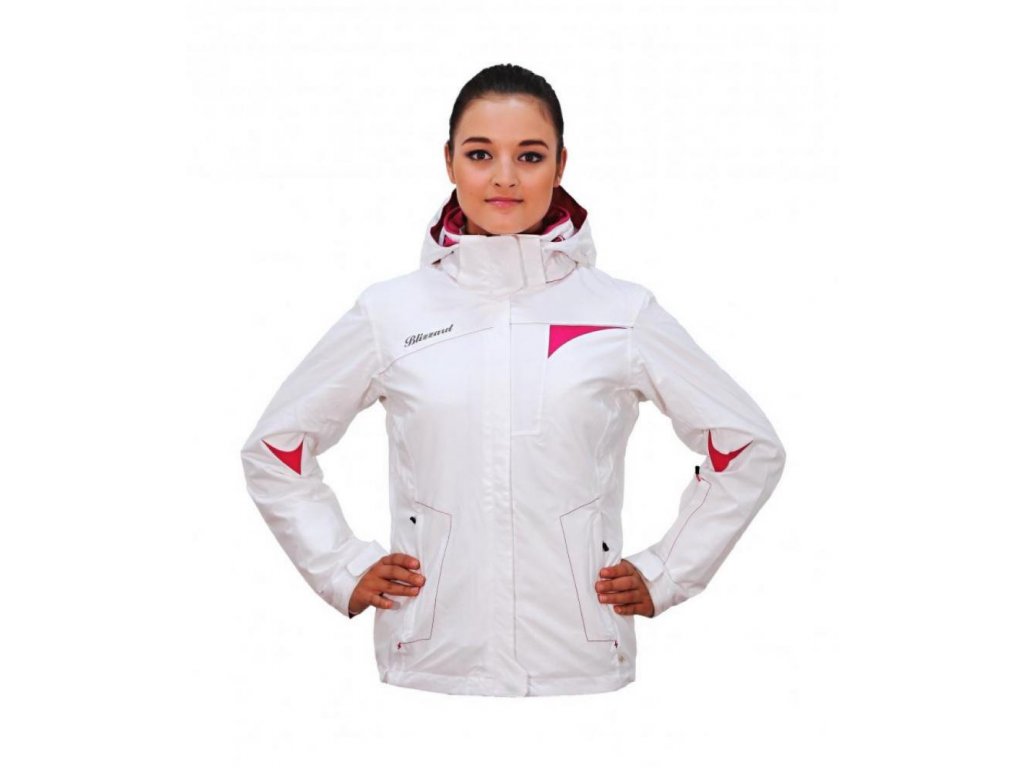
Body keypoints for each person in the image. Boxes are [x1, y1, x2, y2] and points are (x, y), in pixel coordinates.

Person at [239, 63, 786, 697]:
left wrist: (669, 571)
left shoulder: (621, 313)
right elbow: (276, 448)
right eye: (480, 154)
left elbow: (748, 446)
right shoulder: (391, 313)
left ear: (560, 164)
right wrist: (340, 566)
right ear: (449, 162)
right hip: (429, 664)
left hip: (581, 664)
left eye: (529, 155)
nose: (504, 176)